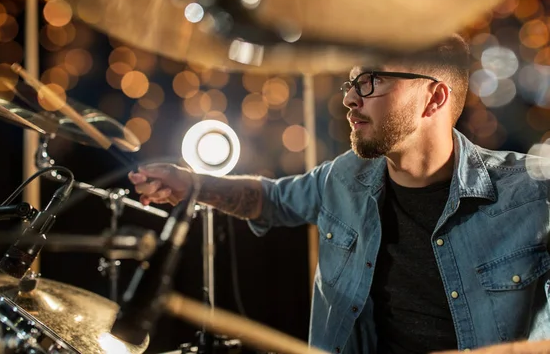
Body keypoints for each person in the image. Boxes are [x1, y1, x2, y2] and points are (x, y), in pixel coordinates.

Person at [128, 34, 550, 354]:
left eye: (371, 82)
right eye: (351, 82)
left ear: (433, 98)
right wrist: (194, 184)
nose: (349, 98)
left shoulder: (532, 196)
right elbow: (269, 200)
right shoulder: (344, 178)